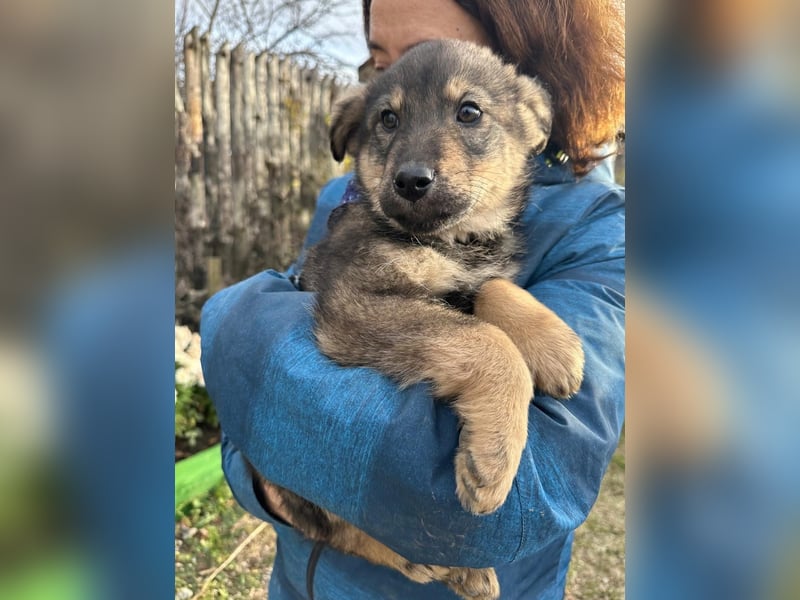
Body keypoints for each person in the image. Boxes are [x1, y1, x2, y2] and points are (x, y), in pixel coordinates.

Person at [200, 0, 625, 598]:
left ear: (528, 107)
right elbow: (328, 335)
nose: (415, 163)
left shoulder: (600, 231)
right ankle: (369, 540)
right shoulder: (347, 204)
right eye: (384, 78)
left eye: (466, 111)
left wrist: (239, 329)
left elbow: (526, 492)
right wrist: (259, 477)